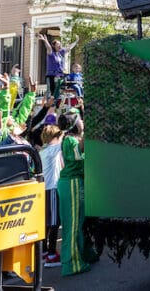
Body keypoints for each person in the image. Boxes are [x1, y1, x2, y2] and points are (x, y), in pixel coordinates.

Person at [57, 111, 91, 276]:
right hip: (71, 184)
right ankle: (72, 264)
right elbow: (79, 153)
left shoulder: (72, 139)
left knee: (78, 224)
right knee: (72, 226)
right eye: (81, 120)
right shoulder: (70, 140)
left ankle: (83, 255)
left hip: (74, 183)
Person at [39, 124, 64, 268]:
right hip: (52, 189)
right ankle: (51, 255)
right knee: (54, 223)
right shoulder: (52, 150)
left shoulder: (44, 150)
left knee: (46, 223)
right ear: (53, 137)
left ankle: (44, 251)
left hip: (45, 189)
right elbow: (63, 141)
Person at [40, 32, 79, 101]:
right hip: (52, 76)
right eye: (58, 44)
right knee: (52, 93)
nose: (60, 45)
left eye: (60, 44)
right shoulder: (51, 54)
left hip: (60, 76)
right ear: (54, 46)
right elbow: (48, 48)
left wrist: (76, 41)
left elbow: (69, 48)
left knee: (59, 92)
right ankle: (50, 107)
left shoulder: (60, 53)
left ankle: (59, 104)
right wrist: (45, 41)